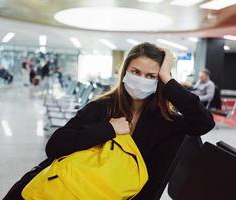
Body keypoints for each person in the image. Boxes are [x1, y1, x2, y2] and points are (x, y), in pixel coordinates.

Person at [45, 42, 215, 199]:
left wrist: (168, 79)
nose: (142, 79)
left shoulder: (163, 120)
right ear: (125, 71)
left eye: (151, 76)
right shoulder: (102, 107)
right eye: (135, 72)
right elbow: (55, 146)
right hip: (86, 191)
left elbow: (204, 122)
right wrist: (107, 129)